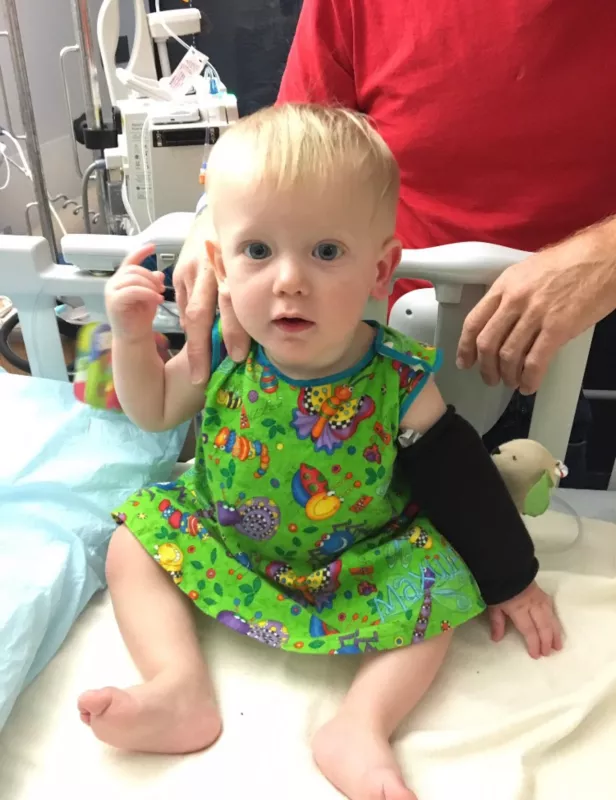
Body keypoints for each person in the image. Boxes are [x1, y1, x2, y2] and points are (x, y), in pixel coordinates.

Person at [77, 106, 560, 800]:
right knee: (133, 543)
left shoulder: (396, 377)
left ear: (381, 269)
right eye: (258, 251)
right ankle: (177, 687)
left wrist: (511, 575)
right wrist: (127, 339)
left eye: (326, 252)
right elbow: (153, 409)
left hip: (358, 556)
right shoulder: (223, 348)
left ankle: (360, 725)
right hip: (228, 539)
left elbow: (457, 473)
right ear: (218, 261)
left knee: (440, 588)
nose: (288, 280)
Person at [173, 0, 616, 484]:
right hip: (350, 343)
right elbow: (290, 155)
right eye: (258, 253)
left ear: (385, 266)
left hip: (549, 364)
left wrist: (606, 255)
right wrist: (218, 215)